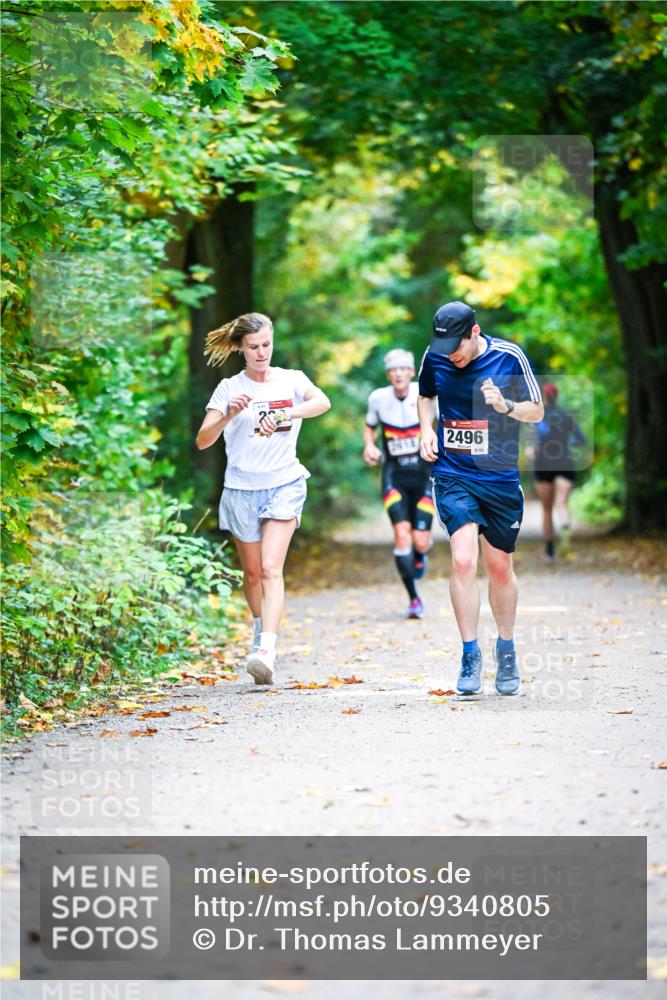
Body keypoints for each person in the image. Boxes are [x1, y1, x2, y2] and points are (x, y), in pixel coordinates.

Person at [195, 312, 330, 685]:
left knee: (271, 568)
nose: (261, 353)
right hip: (241, 489)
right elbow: (203, 440)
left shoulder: (291, 380)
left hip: (284, 483)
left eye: (266, 345)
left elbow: (322, 402)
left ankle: (267, 650)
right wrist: (229, 415)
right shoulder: (228, 389)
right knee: (252, 574)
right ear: (241, 347)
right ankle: (259, 630)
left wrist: (288, 410)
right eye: (253, 347)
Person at [417, 301, 544, 696]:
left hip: (500, 477)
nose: (450, 356)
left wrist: (505, 405)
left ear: (475, 332)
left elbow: (537, 411)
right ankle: (470, 654)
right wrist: (426, 429)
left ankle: (505, 648)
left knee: (499, 566)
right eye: (444, 348)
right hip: (453, 473)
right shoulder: (434, 355)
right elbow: (425, 395)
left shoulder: (509, 357)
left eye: (457, 346)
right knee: (463, 559)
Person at [364, 349, 436, 618]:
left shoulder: (426, 394)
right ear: (388, 374)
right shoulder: (378, 398)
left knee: (420, 541)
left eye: (403, 368)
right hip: (394, 477)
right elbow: (369, 426)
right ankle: (414, 598)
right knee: (401, 534)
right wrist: (369, 446)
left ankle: (420, 555)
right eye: (393, 369)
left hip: (425, 478)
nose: (398, 373)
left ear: (410, 371)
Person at [533, 382, 586, 562]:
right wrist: (566, 445)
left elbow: (540, 439)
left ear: (545, 397)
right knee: (562, 503)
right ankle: (565, 532)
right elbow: (581, 439)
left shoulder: (539, 416)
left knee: (547, 510)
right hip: (565, 462)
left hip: (544, 464)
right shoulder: (566, 416)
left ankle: (549, 552)